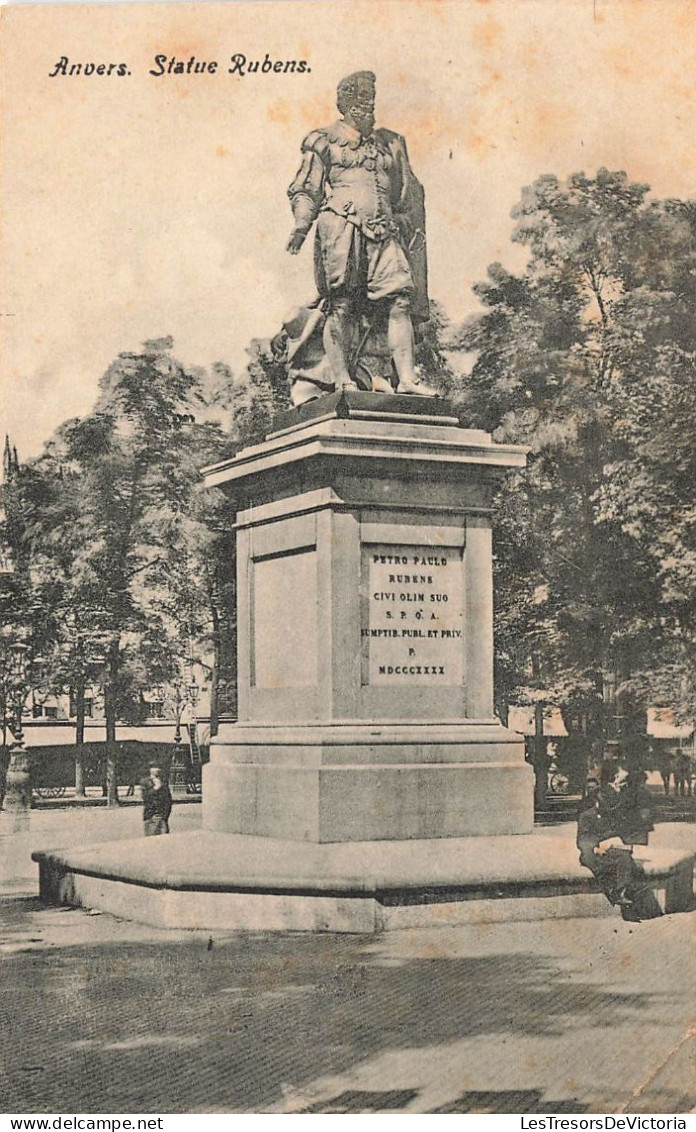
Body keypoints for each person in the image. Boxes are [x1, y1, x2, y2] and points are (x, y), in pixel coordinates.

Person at [287, 70, 436, 399]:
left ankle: (407, 378)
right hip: (341, 227)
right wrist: (301, 225)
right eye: (359, 98)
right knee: (341, 305)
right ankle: (341, 379)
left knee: (400, 300)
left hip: (385, 231)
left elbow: (406, 192)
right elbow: (307, 188)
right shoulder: (323, 139)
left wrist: (405, 223)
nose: (367, 105)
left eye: (370, 98)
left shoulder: (390, 144)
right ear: (344, 103)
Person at [576, 761, 661, 921]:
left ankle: (621, 892)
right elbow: (582, 839)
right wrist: (595, 847)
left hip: (607, 849)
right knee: (601, 863)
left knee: (624, 858)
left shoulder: (607, 815)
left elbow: (613, 832)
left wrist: (616, 841)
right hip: (592, 852)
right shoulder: (586, 816)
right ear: (597, 803)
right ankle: (615, 892)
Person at [141, 763, 172, 836]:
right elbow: (145, 797)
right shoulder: (145, 782)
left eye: (158, 767)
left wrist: (165, 816)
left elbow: (168, 800)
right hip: (150, 816)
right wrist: (156, 788)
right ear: (150, 769)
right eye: (154, 767)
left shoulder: (164, 782)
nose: (157, 769)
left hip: (162, 817)